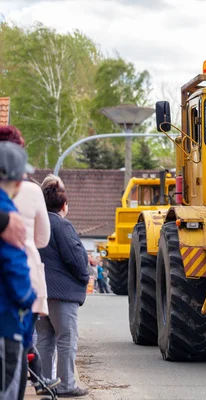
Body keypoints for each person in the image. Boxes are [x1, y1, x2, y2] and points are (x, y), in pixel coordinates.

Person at [0, 125, 61, 395]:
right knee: (17, 355)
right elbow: (42, 239)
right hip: (19, 289)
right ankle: (38, 380)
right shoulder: (25, 196)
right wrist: (26, 295)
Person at [37, 175, 89, 397]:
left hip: (39, 292)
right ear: (64, 205)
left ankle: (44, 383)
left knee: (44, 340)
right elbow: (75, 258)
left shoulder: (34, 224)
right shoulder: (62, 224)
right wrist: (85, 276)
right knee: (66, 340)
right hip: (62, 294)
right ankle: (66, 385)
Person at [0, 141, 37, 400]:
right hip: (7, 322)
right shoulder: (8, 215)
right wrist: (28, 298)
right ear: (16, 180)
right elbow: (14, 264)